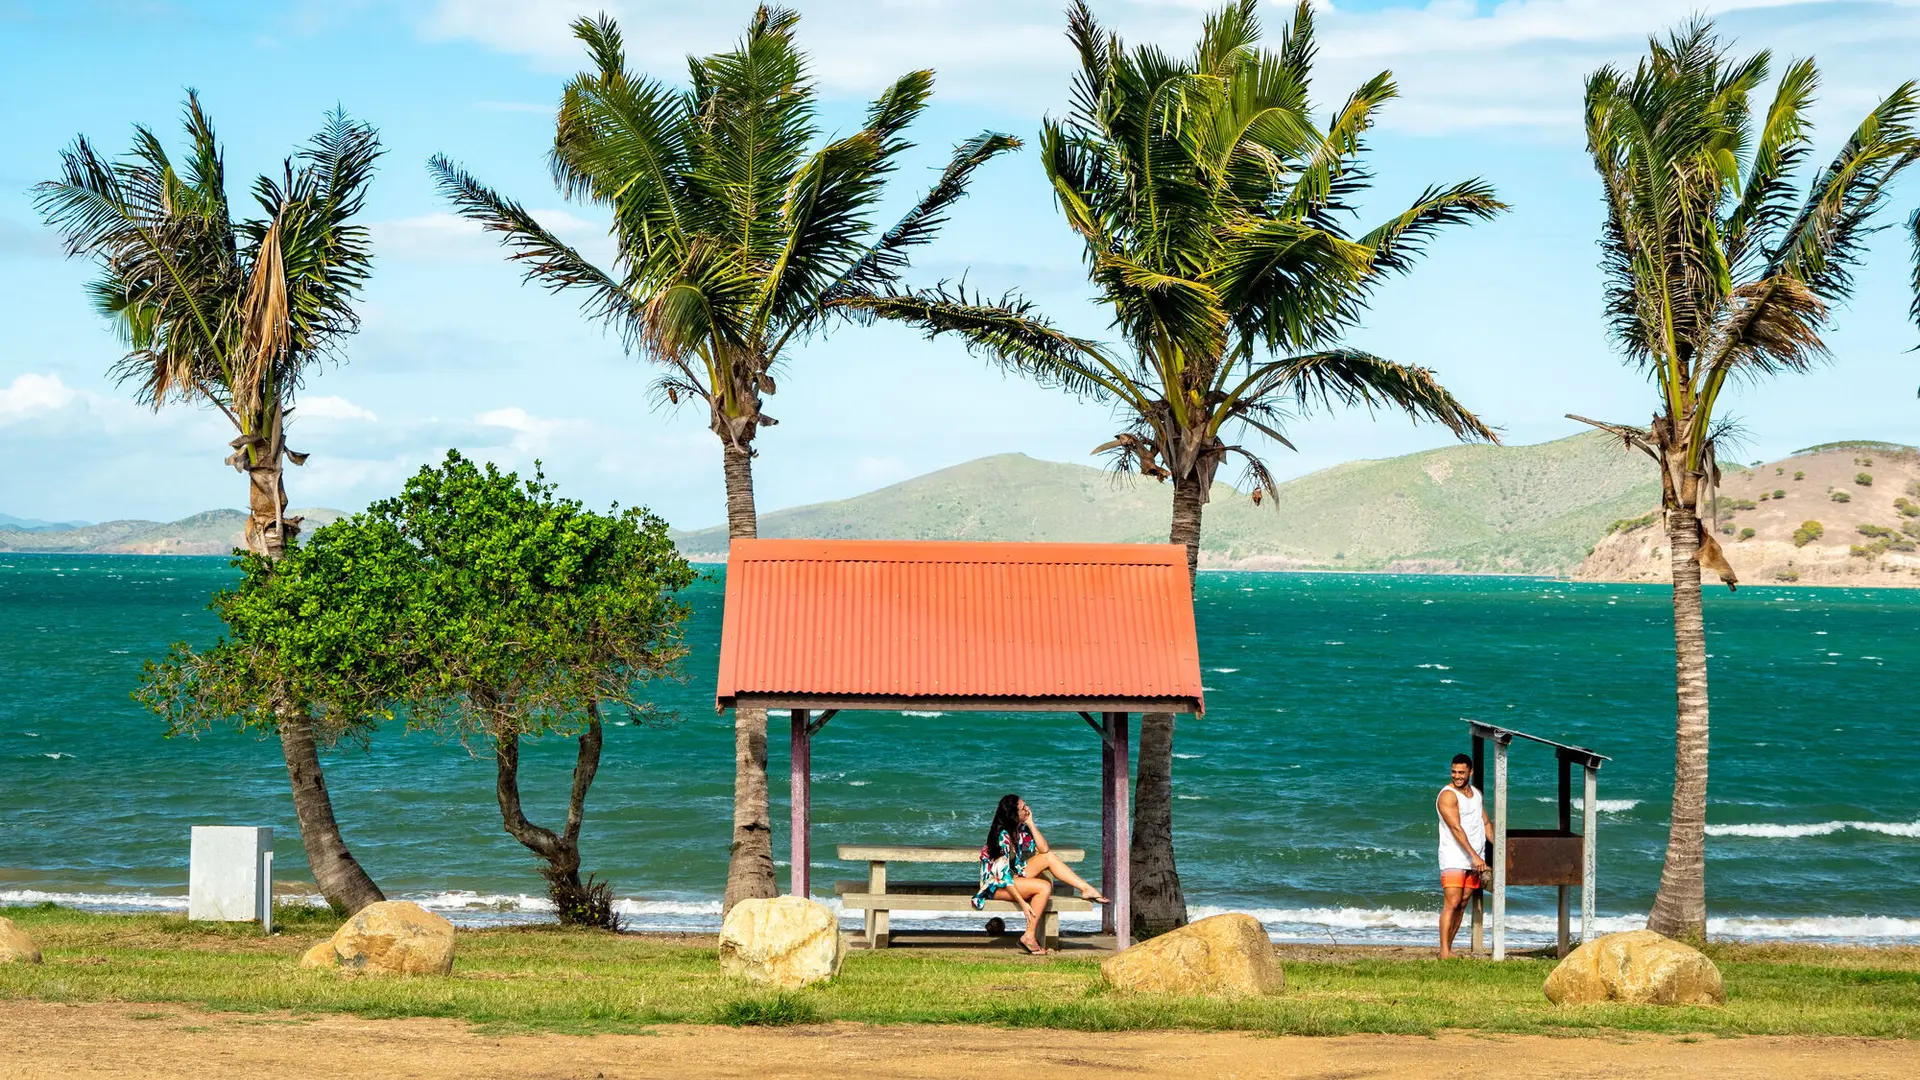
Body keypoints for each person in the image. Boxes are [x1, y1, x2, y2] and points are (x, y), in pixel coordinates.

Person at [972, 793, 1108, 955]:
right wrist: (1023, 903)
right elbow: (1003, 877)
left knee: (1048, 858)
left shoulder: (1018, 830)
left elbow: (1044, 850)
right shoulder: (1003, 837)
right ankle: (1029, 936)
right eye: (1023, 808)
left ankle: (1086, 889)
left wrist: (1030, 823)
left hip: (1012, 875)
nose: (1027, 809)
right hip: (995, 885)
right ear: (1013, 815)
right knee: (1044, 887)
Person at [1437, 753, 1491, 959]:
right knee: (1452, 902)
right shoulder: (1448, 795)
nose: (1457, 776)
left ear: (1471, 772)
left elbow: (1485, 823)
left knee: (1463, 902)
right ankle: (1444, 951)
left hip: (1475, 857)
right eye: (1454, 772)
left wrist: (1499, 848)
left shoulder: (1476, 794)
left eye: (1461, 772)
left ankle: (1448, 948)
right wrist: (1474, 856)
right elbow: (1456, 828)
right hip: (1454, 856)